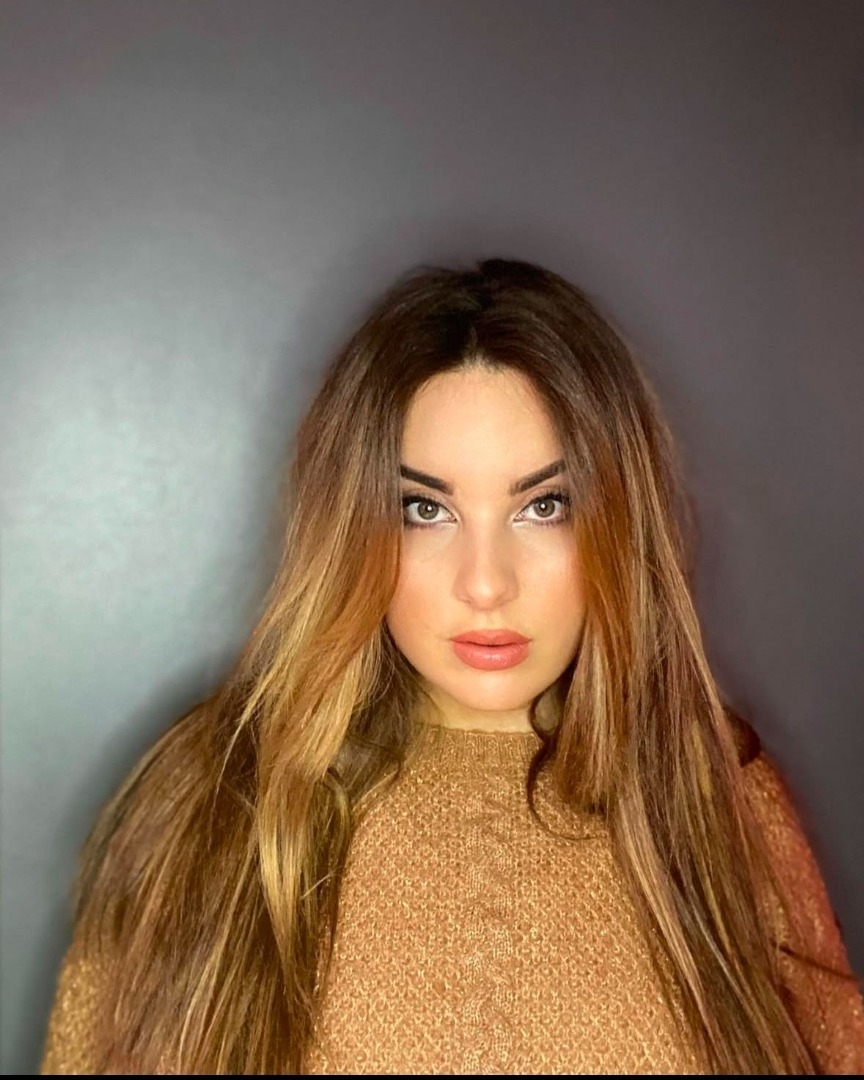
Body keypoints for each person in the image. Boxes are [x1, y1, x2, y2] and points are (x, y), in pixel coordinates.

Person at [41, 258, 863, 1074]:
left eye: (544, 506)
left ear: (619, 519)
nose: (485, 583)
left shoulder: (721, 799)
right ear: (353, 525)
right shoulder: (211, 799)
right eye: (425, 509)